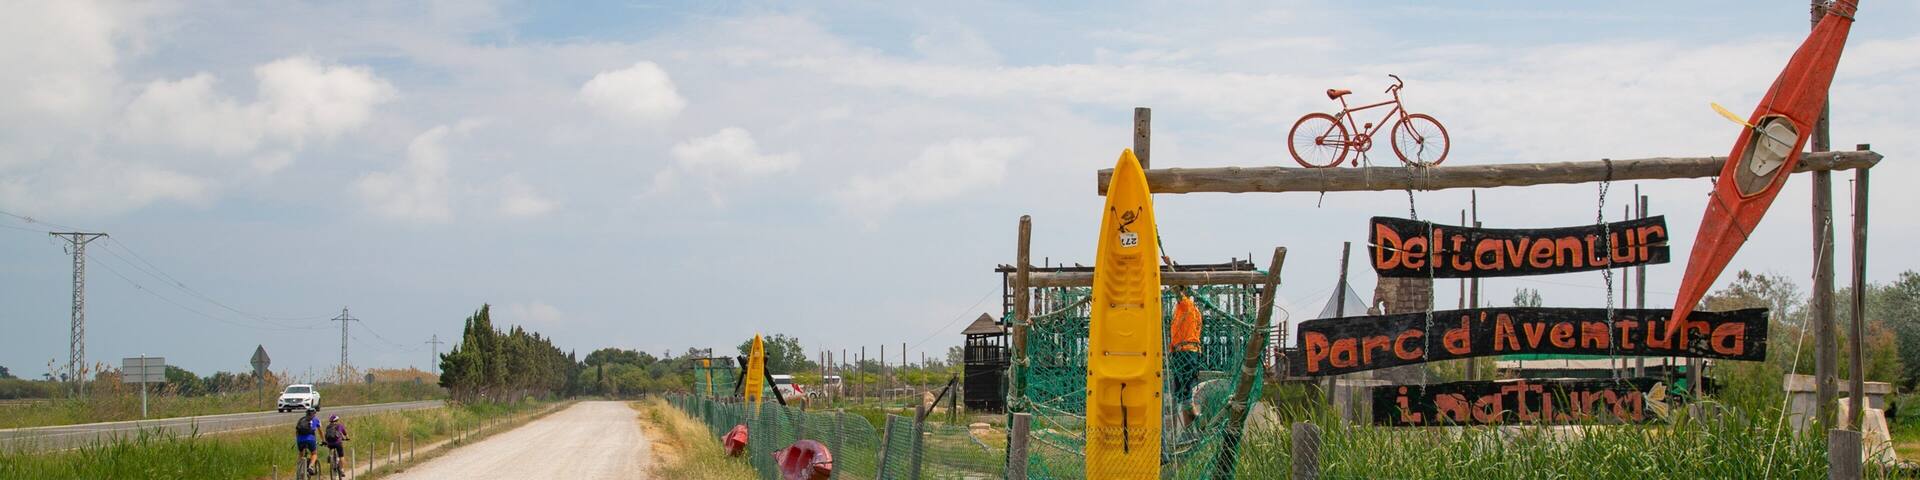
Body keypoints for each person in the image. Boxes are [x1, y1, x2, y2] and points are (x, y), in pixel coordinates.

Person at [1169, 294, 1204, 420]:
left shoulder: (1186, 305)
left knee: (1186, 391)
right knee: (1183, 393)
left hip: (1187, 352)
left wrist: (1175, 282)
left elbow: (1178, 292)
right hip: (1183, 351)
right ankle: (1189, 426)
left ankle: (1194, 416)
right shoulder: (1191, 310)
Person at [294, 407, 321, 475]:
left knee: (301, 453)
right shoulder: (316, 420)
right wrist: (323, 440)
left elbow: (297, 431)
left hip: (300, 439)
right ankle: (311, 467)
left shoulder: (301, 420)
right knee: (314, 453)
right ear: (314, 414)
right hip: (310, 439)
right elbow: (320, 431)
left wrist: (297, 439)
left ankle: (299, 468)